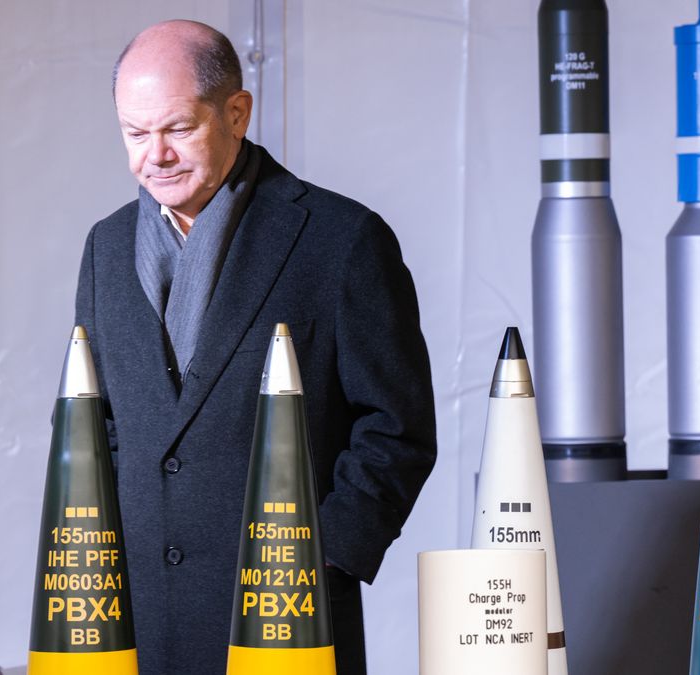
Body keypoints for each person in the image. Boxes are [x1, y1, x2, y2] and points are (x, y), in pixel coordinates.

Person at [72, 19, 436, 675]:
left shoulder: (342, 240)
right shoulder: (105, 247)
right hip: (137, 624)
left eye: (177, 128)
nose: (154, 154)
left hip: (287, 620)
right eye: (134, 133)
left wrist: (318, 562)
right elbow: (92, 427)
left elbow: (398, 427)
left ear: (236, 112)